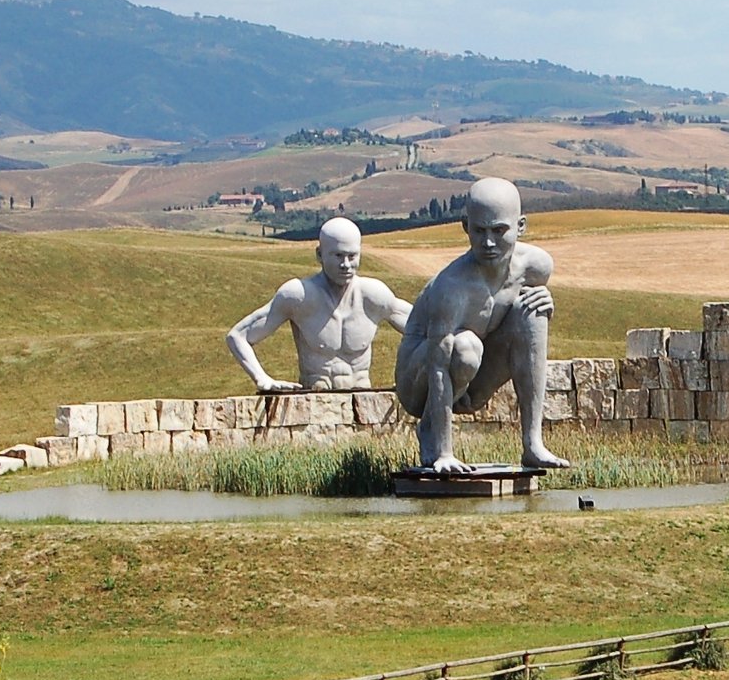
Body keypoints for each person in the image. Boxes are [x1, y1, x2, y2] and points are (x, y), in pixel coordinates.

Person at [394, 177, 568, 472]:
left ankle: (533, 444)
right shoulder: (451, 287)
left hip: (474, 377)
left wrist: (546, 302)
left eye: (499, 231)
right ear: (466, 227)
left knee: (533, 311)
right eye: (479, 231)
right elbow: (438, 364)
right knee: (465, 346)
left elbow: (519, 329)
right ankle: (430, 432)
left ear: (521, 226)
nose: (488, 243)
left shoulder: (536, 266)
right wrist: (444, 453)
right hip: (420, 383)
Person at [224, 217, 412, 392]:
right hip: (315, 401)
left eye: (352, 256)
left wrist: (416, 379)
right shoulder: (299, 296)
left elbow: (427, 329)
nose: (346, 264)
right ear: (319, 255)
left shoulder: (374, 296)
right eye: (338, 255)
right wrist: (262, 378)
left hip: (364, 402)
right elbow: (238, 336)